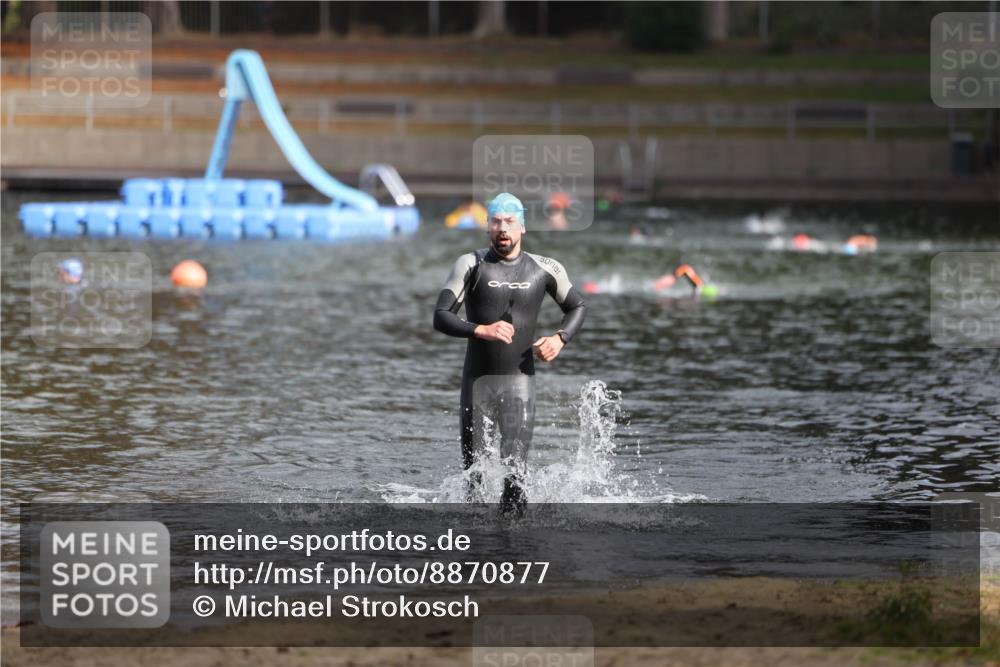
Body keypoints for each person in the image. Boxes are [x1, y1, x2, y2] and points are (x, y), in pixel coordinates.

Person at [433, 192, 586, 516]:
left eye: (509, 221)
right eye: (495, 221)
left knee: (515, 476)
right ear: (487, 226)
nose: (502, 228)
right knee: (473, 480)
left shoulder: (545, 268)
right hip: (477, 384)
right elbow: (441, 316)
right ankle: (475, 555)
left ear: (523, 227)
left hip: (520, 383)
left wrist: (560, 338)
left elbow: (577, 307)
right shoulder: (471, 264)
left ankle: (514, 557)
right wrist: (479, 329)